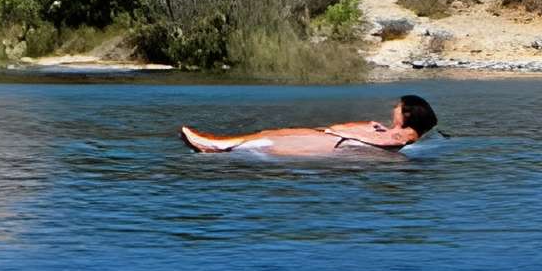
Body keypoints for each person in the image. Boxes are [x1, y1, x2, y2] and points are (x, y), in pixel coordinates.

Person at [179, 95, 438, 159]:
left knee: (271, 138)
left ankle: (219, 146)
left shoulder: (401, 137)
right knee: (270, 134)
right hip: (334, 141)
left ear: (405, 113)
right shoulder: (395, 132)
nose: (392, 108)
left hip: (333, 144)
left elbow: (390, 143)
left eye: (397, 105)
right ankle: (221, 143)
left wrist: (345, 132)